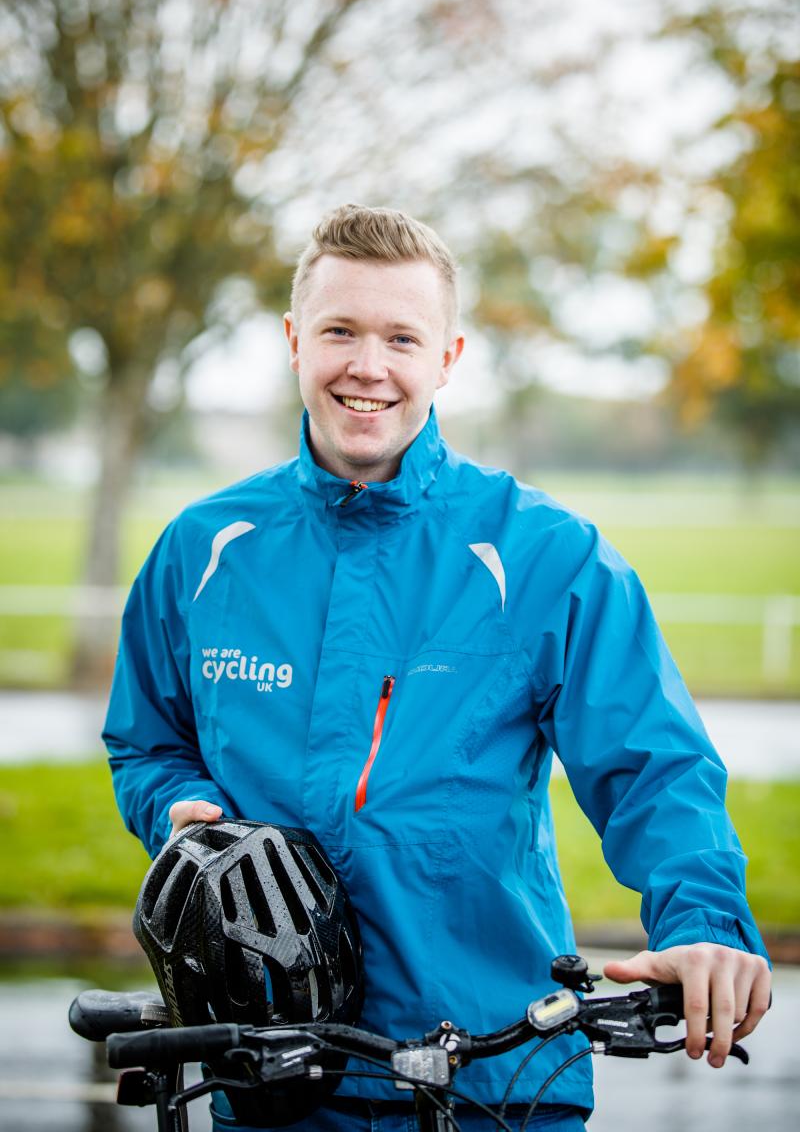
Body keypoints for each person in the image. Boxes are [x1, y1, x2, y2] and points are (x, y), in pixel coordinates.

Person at [103, 204, 771, 1131]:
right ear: (296, 341)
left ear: (447, 359)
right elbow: (146, 741)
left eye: (401, 337)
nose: (367, 366)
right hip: (269, 1077)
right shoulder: (203, 549)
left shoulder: (548, 558)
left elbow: (654, 769)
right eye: (339, 330)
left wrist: (704, 928)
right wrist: (175, 812)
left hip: (496, 1078)